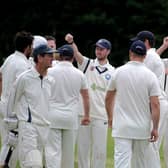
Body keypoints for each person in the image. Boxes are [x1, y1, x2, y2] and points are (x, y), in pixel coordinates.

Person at [105, 40, 160, 168]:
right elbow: (155, 105)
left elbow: (108, 98)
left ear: (130, 53)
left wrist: (110, 117)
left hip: (122, 126)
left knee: (121, 162)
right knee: (140, 163)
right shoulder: (150, 76)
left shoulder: (118, 72)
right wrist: (155, 128)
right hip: (142, 127)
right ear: (145, 56)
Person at [65, 33, 115, 168]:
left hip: (101, 116)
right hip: (84, 115)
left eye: (102, 49)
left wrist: (111, 116)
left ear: (108, 51)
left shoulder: (113, 71)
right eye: (97, 48)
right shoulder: (88, 64)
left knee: (99, 151)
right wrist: (71, 42)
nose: (98, 51)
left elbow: (113, 97)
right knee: (83, 149)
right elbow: (76, 54)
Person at [6, 43, 56, 168]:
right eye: (49, 56)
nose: (53, 58)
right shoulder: (24, 78)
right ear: (39, 58)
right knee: (32, 164)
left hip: (45, 128)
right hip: (29, 127)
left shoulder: (51, 80)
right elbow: (12, 100)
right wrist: (12, 127)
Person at [45, 44, 90, 168]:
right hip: (71, 117)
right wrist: (86, 115)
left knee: (53, 152)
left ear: (59, 56)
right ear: (73, 58)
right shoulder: (80, 74)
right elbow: (86, 97)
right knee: (68, 154)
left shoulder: (50, 71)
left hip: (52, 115)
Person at [131, 30, 168, 167]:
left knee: (152, 145)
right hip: (155, 103)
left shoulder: (150, 56)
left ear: (146, 42)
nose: (136, 44)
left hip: (156, 104)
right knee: (150, 145)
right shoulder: (152, 56)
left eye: (139, 41)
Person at [0, 31, 34, 168]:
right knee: (12, 145)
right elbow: (24, 89)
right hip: (14, 111)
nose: (32, 49)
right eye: (31, 46)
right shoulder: (22, 65)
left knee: (7, 143)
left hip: (4, 105)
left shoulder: (9, 59)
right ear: (27, 48)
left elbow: (0, 75)